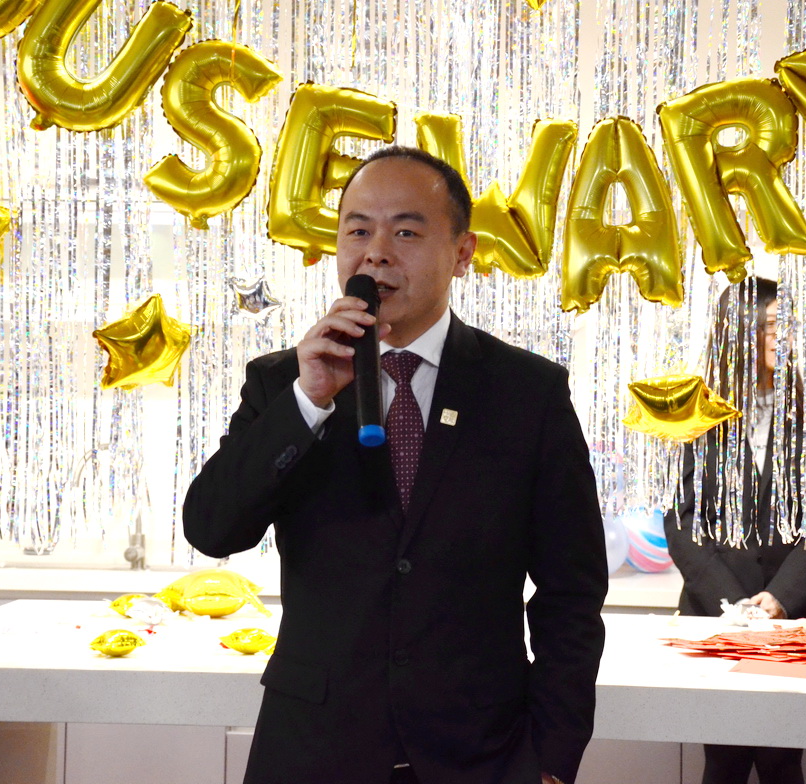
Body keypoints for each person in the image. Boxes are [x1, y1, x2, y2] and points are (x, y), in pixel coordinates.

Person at [182, 146, 608, 784]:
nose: (376, 253)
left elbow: (571, 591)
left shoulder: (527, 392)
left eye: (405, 232)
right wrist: (308, 402)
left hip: (481, 755)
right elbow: (212, 528)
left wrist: (551, 759)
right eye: (357, 231)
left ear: (462, 253)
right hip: (314, 753)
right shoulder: (284, 384)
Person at [663, 277, 806, 784]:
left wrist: (780, 597)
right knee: (723, 761)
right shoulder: (693, 415)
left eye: (788, 325)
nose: (784, 336)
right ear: (738, 333)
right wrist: (732, 602)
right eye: (772, 325)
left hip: (794, 615)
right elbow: (680, 519)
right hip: (716, 616)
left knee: (784, 763)